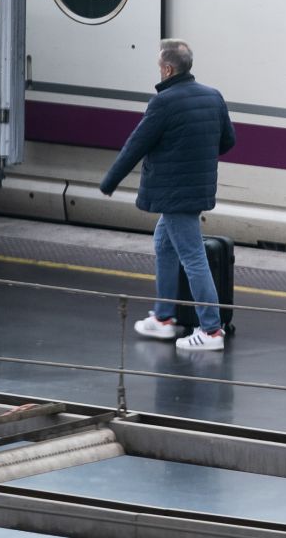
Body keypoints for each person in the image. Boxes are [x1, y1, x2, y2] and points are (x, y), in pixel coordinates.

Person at [100, 39, 236, 352]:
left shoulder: (164, 102)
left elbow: (136, 145)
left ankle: (211, 330)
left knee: (193, 257)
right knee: (163, 244)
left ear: (168, 68)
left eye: (159, 66)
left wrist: (109, 182)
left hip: (175, 193)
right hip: (194, 188)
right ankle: (163, 318)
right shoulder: (213, 96)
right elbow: (228, 140)